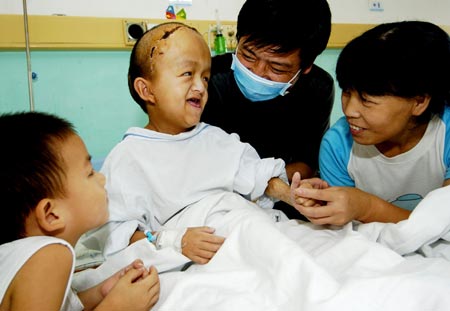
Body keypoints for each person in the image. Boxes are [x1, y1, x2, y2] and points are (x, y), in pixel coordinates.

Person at [97, 21, 293, 266]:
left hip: (244, 230)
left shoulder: (215, 138)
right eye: (188, 74)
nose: (200, 86)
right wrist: (175, 240)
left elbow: (258, 175)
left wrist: (293, 196)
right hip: (195, 253)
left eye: (206, 77)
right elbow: (118, 238)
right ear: (146, 90)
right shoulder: (128, 158)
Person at [291, 21, 450, 226]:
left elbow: (443, 225)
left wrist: (366, 207)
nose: (349, 111)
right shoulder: (338, 145)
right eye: (347, 93)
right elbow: (348, 234)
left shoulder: (445, 135)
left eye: (367, 100)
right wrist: (326, 207)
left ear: (419, 101)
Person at [0, 111, 160, 311]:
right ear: (52, 214)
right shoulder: (50, 255)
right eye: (90, 173)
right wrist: (117, 306)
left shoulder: (21, 258)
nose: (102, 178)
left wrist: (101, 292)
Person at [201, 0, 335, 219]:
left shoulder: (317, 88)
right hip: (214, 198)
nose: (257, 72)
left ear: (306, 67)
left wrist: (269, 185)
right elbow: (192, 159)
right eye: (248, 56)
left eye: (277, 67)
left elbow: (307, 162)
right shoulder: (210, 78)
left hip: (282, 198)